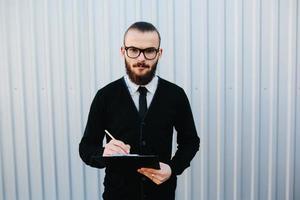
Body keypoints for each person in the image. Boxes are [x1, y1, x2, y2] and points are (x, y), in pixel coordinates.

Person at [79, 21, 200, 200]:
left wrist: (173, 168)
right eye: (133, 50)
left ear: (159, 53)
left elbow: (190, 142)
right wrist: (103, 153)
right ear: (123, 52)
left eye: (149, 51)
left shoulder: (175, 95)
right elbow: (86, 147)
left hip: (162, 196)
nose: (141, 58)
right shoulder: (105, 96)